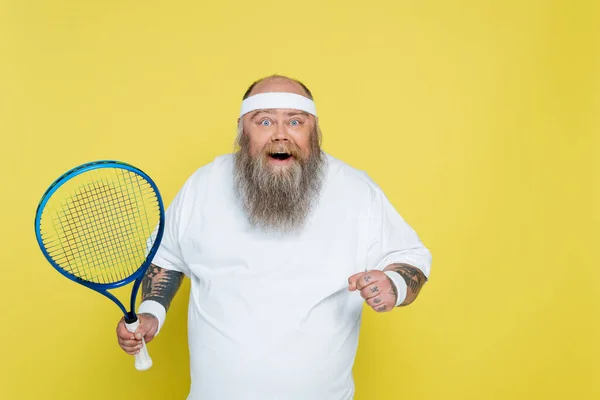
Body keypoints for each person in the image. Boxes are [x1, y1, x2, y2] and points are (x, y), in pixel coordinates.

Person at [116, 75, 432, 400]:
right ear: (243, 130)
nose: (280, 134)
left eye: (295, 121)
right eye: (264, 121)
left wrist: (394, 282)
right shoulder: (204, 185)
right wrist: (152, 311)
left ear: (315, 131)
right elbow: (165, 255)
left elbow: (411, 256)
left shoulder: (356, 191)